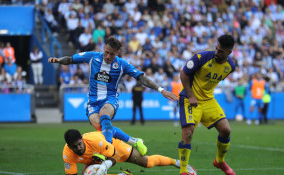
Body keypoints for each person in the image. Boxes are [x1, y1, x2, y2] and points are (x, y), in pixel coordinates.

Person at [49, 36, 178, 155]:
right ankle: (135, 141)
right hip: (93, 101)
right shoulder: (92, 57)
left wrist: (161, 90)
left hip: (110, 99)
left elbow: (141, 77)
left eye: (112, 54)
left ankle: (106, 152)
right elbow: (71, 59)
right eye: (107, 52)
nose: (108, 56)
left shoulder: (122, 64)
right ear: (104, 48)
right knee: (101, 127)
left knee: (104, 117)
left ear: (117, 53)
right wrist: (59, 60)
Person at [178, 35, 236, 175]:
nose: (217, 52)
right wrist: (191, 95)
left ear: (229, 53)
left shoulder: (230, 67)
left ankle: (220, 161)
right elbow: (183, 75)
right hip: (189, 98)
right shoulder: (201, 57)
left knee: (226, 130)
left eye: (221, 51)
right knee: (188, 132)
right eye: (216, 48)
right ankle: (184, 171)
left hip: (208, 100)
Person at [63, 129, 191, 175]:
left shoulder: (95, 140)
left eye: (80, 144)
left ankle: (176, 162)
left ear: (82, 139)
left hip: (115, 148)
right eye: (75, 147)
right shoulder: (67, 155)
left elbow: (113, 157)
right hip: (96, 158)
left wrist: (104, 166)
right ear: (69, 147)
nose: (79, 148)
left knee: (147, 162)